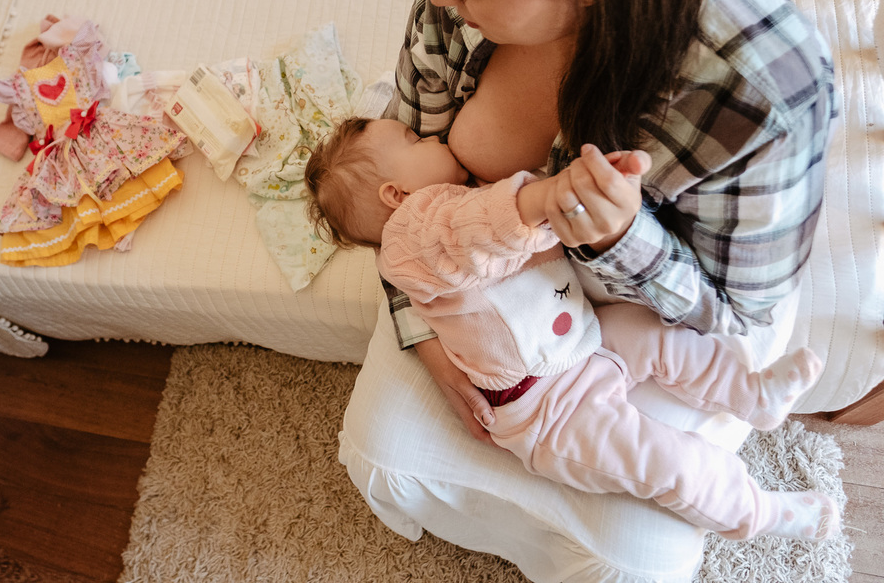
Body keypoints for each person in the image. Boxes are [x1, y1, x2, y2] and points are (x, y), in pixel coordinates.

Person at [337, 0, 838, 578]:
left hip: (666, 307)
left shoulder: (761, 93)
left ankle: (755, 492)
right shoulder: (451, 11)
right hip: (494, 303)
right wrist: (425, 330)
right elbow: (413, 214)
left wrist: (616, 236)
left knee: (637, 559)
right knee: (378, 453)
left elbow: (732, 310)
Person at [304, 116, 836, 541]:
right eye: (412, 137)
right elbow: (466, 237)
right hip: (546, 410)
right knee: (660, 461)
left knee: (655, 334)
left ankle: (753, 393)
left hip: (584, 340)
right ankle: (758, 515)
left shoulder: (458, 200)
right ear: (396, 195)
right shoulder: (412, 236)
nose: (427, 133)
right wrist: (541, 198)